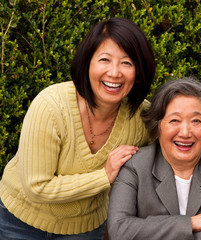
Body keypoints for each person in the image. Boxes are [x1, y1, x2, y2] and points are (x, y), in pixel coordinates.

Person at [0, 17, 155, 239]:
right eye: (104, 59)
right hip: (19, 222)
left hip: (85, 228)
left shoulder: (142, 117)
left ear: (139, 71)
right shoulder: (51, 106)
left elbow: (175, 147)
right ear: (87, 62)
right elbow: (37, 187)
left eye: (127, 63)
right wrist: (104, 175)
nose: (115, 72)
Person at [107, 77, 201, 240]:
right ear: (158, 127)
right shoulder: (135, 166)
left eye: (196, 121)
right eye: (174, 120)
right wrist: (191, 223)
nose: (185, 132)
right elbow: (119, 230)